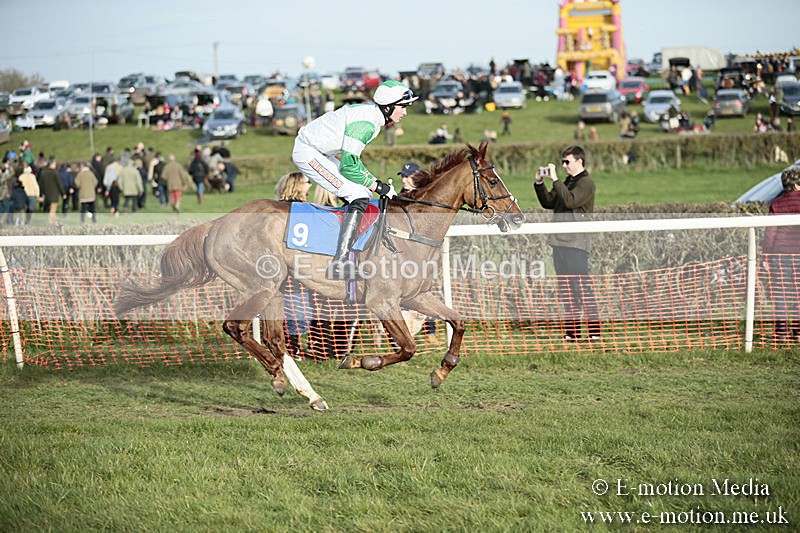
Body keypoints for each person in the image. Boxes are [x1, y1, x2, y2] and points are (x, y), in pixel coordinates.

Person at [291, 79, 415, 278]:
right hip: (309, 152)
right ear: (389, 106)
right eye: (402, 107)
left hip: (320, 152)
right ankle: (339, 262)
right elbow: (349, 166)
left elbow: (353, 164)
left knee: (363, 193)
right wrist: (378, 185)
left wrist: (376, 184)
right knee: (358, 194)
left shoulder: (371, 116)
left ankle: (342, 243)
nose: (405, 112)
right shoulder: (366, 124)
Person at [534, 145, 601, 341]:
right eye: (562, 162)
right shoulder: (567, 182)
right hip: (559, 244)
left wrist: (555, 180)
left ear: (579, 161)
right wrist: (539, 183)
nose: (564, 166)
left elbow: (570, 201)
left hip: (576, 245)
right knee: (566, 290)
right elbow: (549, 202)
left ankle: (594, 332)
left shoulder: (587, 183)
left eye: (567, 162)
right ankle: (572, 332)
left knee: (582, 288)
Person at [275, 172, 314, 359]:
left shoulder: (278, 208)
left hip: (288, 266)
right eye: (307, 182)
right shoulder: (301, 209)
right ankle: (292, 350)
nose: (310, 186)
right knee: (297, 309)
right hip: (295, 268)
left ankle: (292, 347)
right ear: (297, 186)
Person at [762, 167, 800, 342]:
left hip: (780, 253)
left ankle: (782, 333)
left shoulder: (776, 204)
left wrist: (765, 255)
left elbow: (771, 232)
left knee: (781, 293)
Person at [38, 158, 65, 225]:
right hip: (54, 194)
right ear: (52, 164)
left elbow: (40, 184)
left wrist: (40, 194)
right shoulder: (55, 173)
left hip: (46, 194)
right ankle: (51, 223)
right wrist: (63, 193)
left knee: (47, 209)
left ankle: (50, 221)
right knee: (52, 210)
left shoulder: (43, 172)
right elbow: (59, 184)